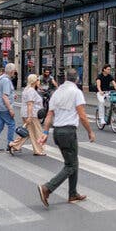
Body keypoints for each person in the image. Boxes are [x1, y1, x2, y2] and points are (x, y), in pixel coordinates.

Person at [37, 68, 95, 207]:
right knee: (70, 165)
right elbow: (82, 115)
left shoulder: (57, 93)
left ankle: (73, 193)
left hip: (57, 132)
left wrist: (45, 133)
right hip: (68, 132)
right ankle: (47, 188)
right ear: (77, 79)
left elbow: (49, 115)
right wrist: (90, 132)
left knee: (73, 162)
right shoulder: (76, 92)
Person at [8, 74, 46, 156]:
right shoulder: (31, 91)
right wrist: (29, 116)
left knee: (28, 132)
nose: (39, 82)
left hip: (27, 113)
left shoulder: (27, 89)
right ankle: (38, 150)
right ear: (34, 81)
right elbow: (30, 104)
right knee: (38, 132)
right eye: (38, 80)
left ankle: (14, 145)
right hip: (32, 114)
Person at [0, 63, 17, 152]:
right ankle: (10, 144)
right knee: (11, 124)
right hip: (5, 107)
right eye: (14, 71)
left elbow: (4, 93)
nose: (15, 72)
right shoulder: (6, 80)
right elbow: (5, 96)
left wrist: (13, 95)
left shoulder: (1, 78)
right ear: (11, 71)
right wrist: (10, 109)